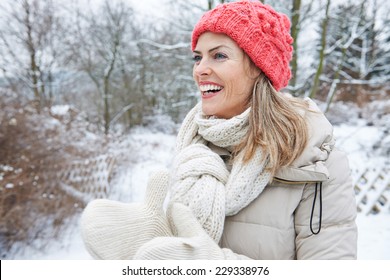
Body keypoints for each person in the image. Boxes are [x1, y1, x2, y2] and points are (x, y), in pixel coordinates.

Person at [81, 0, 357, 260]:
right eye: (197, 57)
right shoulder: (196, 149)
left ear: (259, 69)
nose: (200, 69)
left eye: (219, 55)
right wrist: (154, 240)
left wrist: (216, 266)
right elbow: (186, 246)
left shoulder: (315, 160)